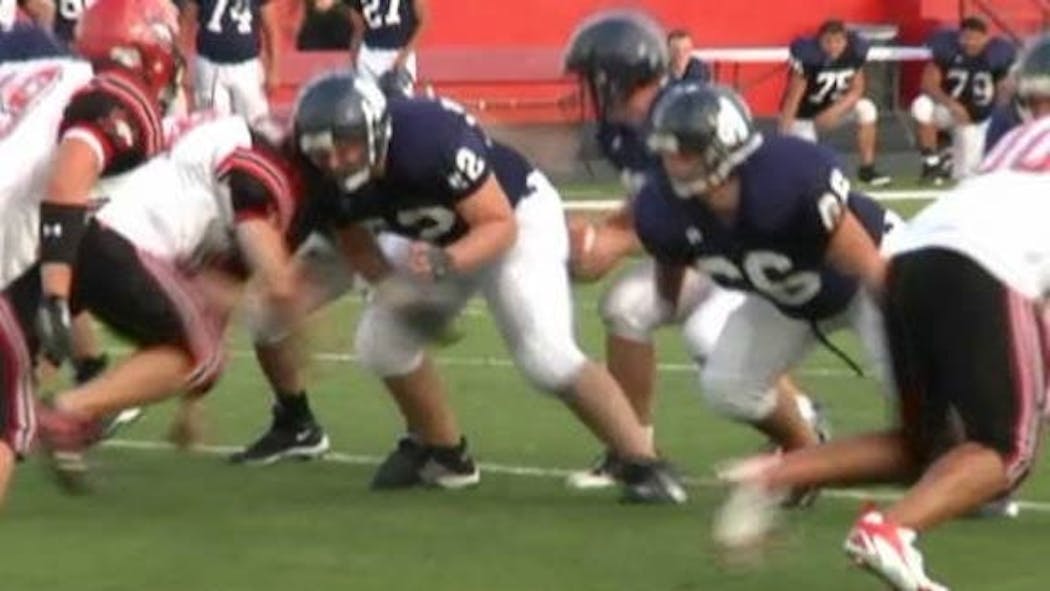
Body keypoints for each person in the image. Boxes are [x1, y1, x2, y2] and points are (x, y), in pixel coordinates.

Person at [235, 71, 687, 503]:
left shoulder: (427, 140)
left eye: (346, 147)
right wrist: (399, 295)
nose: (334, 162)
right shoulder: (323, 174)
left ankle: (644, 463)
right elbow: (357, 247)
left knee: (546, 357)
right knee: (381, 341)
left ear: (374, 131)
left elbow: (498, 223)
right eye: (322, 153)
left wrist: (447, 261)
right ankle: (444, 453)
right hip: (434, 238)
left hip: (516, 218)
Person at [712, 37, 1050, 591]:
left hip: (907, 258)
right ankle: (889, 532)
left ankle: (777, 473)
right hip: (986, 263)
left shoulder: (1011, 144)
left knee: (924, 447)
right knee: (1002, 449)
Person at [561, 12, 826, 491]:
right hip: (702, 255)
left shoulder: (684, 115)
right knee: (626, 309)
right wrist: (603, 230)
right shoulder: (623, 130)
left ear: (617, 77)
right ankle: (634, 447)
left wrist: (613, 245)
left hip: (750, 253)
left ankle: (805, 423)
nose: (591, 91)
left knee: (710, 336)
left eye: (594, 79)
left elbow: (699, 207)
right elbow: (651, 203)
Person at [35, 112, 304, 491]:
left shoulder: (204, 131)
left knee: (26, 346)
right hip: (129, 241)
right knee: (203, 353)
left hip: (75, 225)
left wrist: (190, 406)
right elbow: (253, 282)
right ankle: (70, 413)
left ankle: (53, 413)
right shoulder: (264, 167)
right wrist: (287, 304)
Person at [0, 0, 178, 506]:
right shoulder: (118, 92)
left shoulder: (32, 68)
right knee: (8, 421)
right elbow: (75, 162)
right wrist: (56, 293)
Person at [780, 19, 891, 187]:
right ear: (819, 41)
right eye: (828, 41)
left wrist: (836, 110)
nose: (833, 46)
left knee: (866, 108)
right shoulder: (810, 59)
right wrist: (784, 137)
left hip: (832, 110)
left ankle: (867, 169)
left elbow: (857, 88)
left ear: (846, 41)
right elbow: (792, 100)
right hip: (803, 116)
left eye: (838, 41)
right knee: (808, 170)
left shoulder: (853, 54)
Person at [910, 16, 1015, 183]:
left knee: (967, 176)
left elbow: (1005, 91)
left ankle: (948, 160)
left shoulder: (996, 56)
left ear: (985, 39)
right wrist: (953, 105)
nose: (969, 42)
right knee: (921, 106)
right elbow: (928, 84)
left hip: (974, 119)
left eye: (974, 38)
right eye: (965, 37)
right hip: (948, 110)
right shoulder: (949, 52)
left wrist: (993, 116)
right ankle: (931, 162)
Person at [179, 0, 277, 122]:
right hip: (210, 65)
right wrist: (183, 66)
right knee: (212, 122)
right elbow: (186, 23)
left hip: (247, 65)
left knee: (254, 121)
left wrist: (273, 69)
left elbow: (270, 28)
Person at [348, 0, 425, 96]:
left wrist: (405, 55)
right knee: (369, 104)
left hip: (397, 52)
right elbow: (358, 28)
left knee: (399, 104)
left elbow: (422, 20)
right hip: (369, 54)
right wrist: (355, 58)